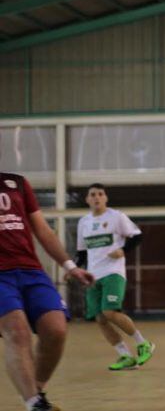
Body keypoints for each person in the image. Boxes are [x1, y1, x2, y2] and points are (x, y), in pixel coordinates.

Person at [1, 171, 94, 411]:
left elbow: (42, 229)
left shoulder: (17, 183)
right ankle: (34, 403)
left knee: (56, 329)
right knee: (17, 331)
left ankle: (37, 390)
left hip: (31, 271)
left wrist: (71, 267)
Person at [75, 183, 154, 371]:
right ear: (87, 199)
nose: (96, 197)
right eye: (92, 194)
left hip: (113, 272)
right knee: (100, 318)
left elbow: (137, 236)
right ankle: (125, 356)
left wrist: (123, 250)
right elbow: (82, 252)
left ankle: (143, 344)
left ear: (105, 198)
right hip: (93, 275)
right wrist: (74, 268)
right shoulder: (83, 222)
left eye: (100, 194)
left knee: (110, 311)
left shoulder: (116, 217)